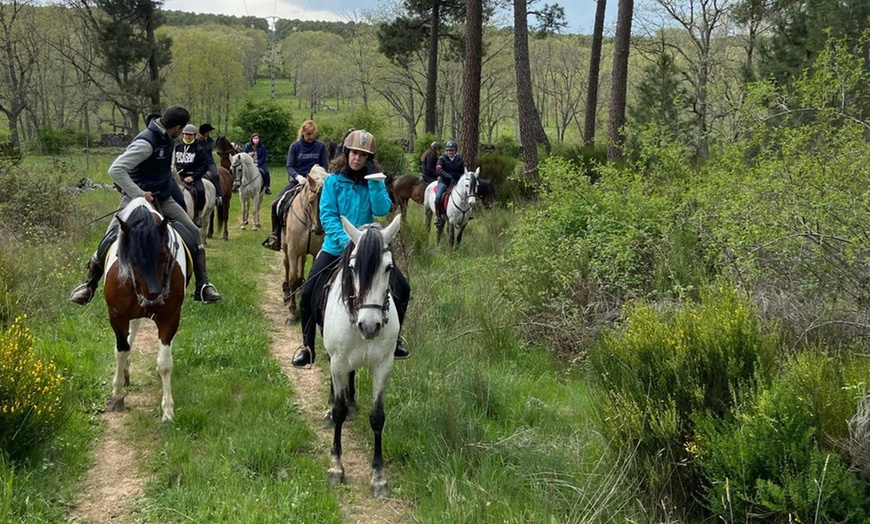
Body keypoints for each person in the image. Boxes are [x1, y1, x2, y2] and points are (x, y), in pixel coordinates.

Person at [69, 106, 222, 306]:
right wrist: (139, 193)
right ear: (177, 127)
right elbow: (116, 170)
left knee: (193, 232)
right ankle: (89, 286)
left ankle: (203, 285)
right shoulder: (146, 143)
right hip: (135, 200)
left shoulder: (166, 139)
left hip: (163, 198)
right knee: (110, 237)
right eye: (181, 130)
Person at [292, 129, 411, 368]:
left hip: (370, 251)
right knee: (306, 295)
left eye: (363, 155)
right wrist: (351, 244)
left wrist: (376, 181)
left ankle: (395, 339)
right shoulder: (334, 182)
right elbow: (328, 216)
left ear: (369, 158)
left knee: (403, 288)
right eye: (354, 153)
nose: (357, 158)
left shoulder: (372, 183)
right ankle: (307, 346)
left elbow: (381, 209)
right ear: (346, 153)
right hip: (336, 248)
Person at [261, 120, 329, 251]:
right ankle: (276, 236)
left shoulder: (320, 146)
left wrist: (318, 176)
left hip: (317, 183)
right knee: (276, 204)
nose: (311, 137)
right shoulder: (295, 146)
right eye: (309, 134)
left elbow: (324, 165)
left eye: (313, 134)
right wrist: (298, 177)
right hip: (299, 181)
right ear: (303, 132)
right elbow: (290, 165)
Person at [175, 124, 212, 227]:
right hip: (178, 177)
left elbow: (204, 166)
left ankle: (198, 216)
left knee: (200, 191)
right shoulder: (177, 148)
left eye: (190, 135)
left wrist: (193, 177)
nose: (187, 136)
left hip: (193, 177)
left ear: (195, 136)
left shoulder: (199, 149)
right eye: (186, 134)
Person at [434, 140, 465, 216]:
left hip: (456, 182)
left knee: (466, 195)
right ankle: (438, 215)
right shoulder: (442, 159)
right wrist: (449, 176)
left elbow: (462, 171)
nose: (450, 152)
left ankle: (467, 213)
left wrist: (460, 178)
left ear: (455, 151)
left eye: (452, 150)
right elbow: (439, 170)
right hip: (444, 181)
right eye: (448, 150)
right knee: (438, 197)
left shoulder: (460, 159)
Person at [197, 123, 222, 207]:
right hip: (201, 163)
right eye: (210, 131)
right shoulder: (197, 142)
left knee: (215, 175)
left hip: (210, 163)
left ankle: (219, 196)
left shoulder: (210, 140)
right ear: (206, 132)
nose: (211, 133)